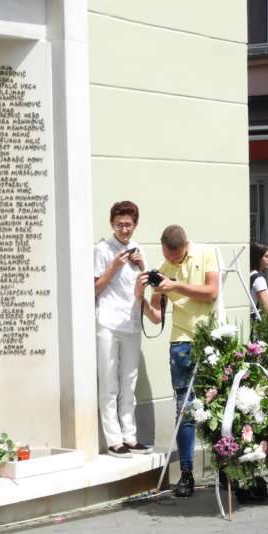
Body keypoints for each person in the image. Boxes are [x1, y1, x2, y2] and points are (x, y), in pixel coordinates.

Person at [139, 225, 220, 497]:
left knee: (216, 402)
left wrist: (177, 286)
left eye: (175, 257)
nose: (171, 262)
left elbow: (211, 292)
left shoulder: (206, 254)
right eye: (167, 257)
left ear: (185, 246)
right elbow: (155, 317)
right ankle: (187, 473)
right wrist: (142, 298)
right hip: (180, 342)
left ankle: (226, 465)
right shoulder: (164, 267)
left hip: (210, 338)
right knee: (184, 407)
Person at [94, 200, 148, 458]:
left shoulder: (139, 250)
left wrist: (142, 268)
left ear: (135, 225)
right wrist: (113, 267)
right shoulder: (102, 249)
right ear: (111, 224)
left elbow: (144, 287)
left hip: (132, 321)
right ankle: (114, 440)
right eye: (118, 225)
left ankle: (130, 435)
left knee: (129, 381)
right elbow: (93, 289)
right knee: (109, 380)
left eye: (128, 225)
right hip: (107, 321)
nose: (123, 230)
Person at [249, 241, 268, 325]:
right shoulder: (259, 279)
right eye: (267, 256)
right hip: (256, 324)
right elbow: (265, 306)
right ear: (257, 257)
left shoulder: (248, 275)